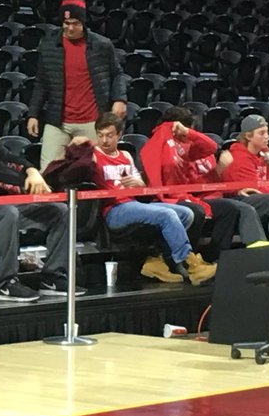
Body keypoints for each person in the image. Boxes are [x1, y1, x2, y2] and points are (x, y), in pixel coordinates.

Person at [0, 105, 80, 302]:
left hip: (3, 207)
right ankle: (6, 283)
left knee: (59, 211)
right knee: (7, 212)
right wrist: (31, 183)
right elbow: (0, 172)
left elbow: (14, 160)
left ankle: (53, 277)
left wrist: (32, 171)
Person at [91, 113, 214, 286]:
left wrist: (137, 183)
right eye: (100, 135)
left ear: (119, 135)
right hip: (114, 210)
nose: (104, 140)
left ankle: (159, 261)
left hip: (133, 203)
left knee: (187, 214)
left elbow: (142, 187)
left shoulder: (125, 155)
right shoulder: (93, 155)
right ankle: (187, 261)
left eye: (109, 135)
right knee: (167, 214)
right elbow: (75, 163)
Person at [139, 106, 269, 262]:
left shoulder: (189, 148)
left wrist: (189, 134)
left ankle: (216, 258)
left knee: (231, 209)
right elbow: (192, 183)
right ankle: (187, 259)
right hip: (190, 197)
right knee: (206, 210)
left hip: (208, 195)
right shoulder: (164, 148)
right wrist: (219, 170)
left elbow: (211, 147)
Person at [26, 0, 127, 171]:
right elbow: (41, 82)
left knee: (98, 172)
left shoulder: (102, 45)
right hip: (58, 122)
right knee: (48, 171)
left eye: (75, 23)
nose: (70, 28)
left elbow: (117, 73)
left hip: (93, 121)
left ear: (83, 23)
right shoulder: (49, 45)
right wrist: (33, 114)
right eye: (66, 24)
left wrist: (120, 99)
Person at [218, 114, 269, 233]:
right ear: (248, 136)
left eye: (267, 132)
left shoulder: (265, 154)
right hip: (240, 199)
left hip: (262, 196)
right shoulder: (239, 157)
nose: (267, 137)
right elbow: (254, 189)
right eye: (262, 133)